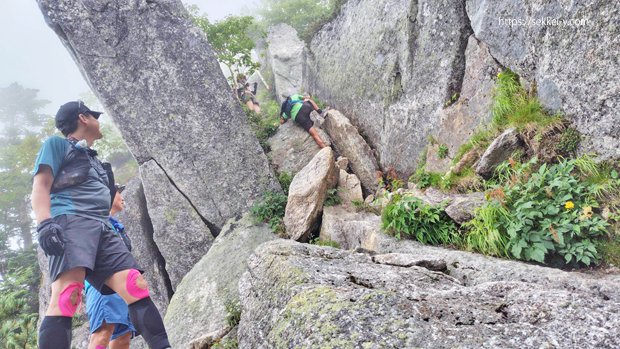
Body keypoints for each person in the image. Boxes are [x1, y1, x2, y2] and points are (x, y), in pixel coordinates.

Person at [31, 100, 170, 349]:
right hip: (72, 222)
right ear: (83, 118)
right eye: (95, 116)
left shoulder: (93, 158)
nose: (99, 121)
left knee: (134, 285)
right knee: (67, 295)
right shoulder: (56, 144)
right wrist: (44, 224)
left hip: (103, 227)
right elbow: (41, 185)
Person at [85, 184, 136, 349]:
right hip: (103, 284)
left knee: (123, 335)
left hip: (121, 285)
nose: (122, 196)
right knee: (103, 332)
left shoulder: (114, 224)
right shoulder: (94, 221)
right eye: (119, 192)